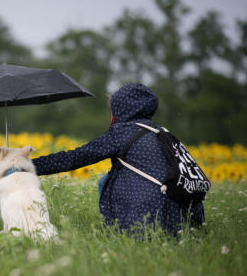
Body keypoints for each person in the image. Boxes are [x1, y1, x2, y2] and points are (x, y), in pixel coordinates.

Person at [32, 83, 204, 236]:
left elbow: (76, 158)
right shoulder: (162, 132)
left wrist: (29, 165)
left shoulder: (123, 132)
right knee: (105, 179)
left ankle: (117, 229)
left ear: (122, 108)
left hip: (148, 219)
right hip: (182, 219)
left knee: (107, 180)